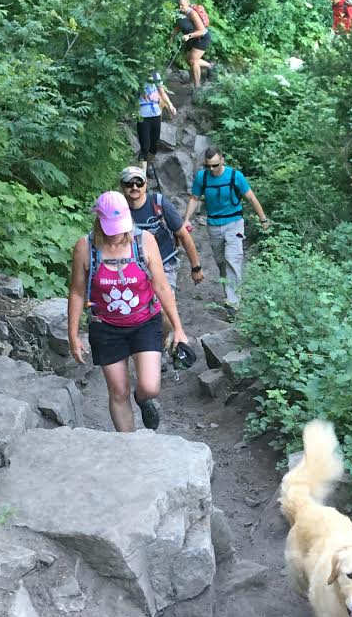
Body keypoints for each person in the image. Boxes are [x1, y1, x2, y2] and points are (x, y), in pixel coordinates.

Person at [67, 191, 187, 432]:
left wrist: (178, 328)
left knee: (150, 386)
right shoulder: (85, 247)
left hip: (145, 320)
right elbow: (78, 292)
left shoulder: (144, 242)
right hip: (105, 326)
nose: (117, 234)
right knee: (118, 391)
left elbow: (161, 285)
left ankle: (143, 400)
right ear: (99, 221)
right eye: (111, 228)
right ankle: (129, 446)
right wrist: (72, 334)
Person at [119, 165, 203, 353]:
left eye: (138, 182)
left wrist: (196, 267)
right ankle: (143, 347)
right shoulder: (118, 208)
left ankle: (164, 345)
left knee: (162, 308)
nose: (134, 187)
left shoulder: (158, 204)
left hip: (165, 263)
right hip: (133, 266)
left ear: (145, 184)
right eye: (129, 183)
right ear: (122, 186)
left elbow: (183, 234)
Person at [183, 146, 269, 320]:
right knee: (221, 262)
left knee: (232, 259)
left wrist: (263, 219)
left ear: (222, 160)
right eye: (208, 166)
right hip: (214, 225)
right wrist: (186, 219)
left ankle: (233, 304)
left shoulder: (235, 176)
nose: (212, 169)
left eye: (215, 165)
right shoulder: (203, 177)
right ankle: (231, 293)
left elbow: (251, 197)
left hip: (234, 223)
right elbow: (194, 198)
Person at [137, 71, 175, 178]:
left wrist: (170, 105)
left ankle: (147, 167)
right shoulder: (137, 74)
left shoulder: (155, 75)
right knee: (145, 147)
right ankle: (142, 178)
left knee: (154, 146)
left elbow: (162, 92)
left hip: (156, 114)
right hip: (143, 115)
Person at [176, 0, 213, 87]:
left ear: (188, 4)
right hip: (192, 38)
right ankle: (210, 66)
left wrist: (188, 36)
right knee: (189, 60)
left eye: (182, 5)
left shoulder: (192, 14)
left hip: (202, 37)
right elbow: (178, 26)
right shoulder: (180, 13)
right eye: (179, 5)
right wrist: (172, 37)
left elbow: (202, 31)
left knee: (193, 61)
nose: (180, 7)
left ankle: (197, 87)